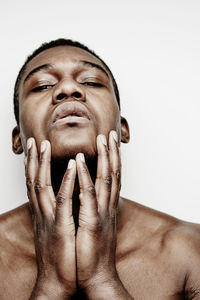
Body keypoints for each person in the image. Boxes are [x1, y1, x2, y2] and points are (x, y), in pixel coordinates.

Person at [0, 38, 200, 300]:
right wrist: (52, 285)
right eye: (43, 85)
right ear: (17, 139)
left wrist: (101, 279)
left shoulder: (190, 249)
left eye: (91, 82)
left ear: (122, 129)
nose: (68, 88)